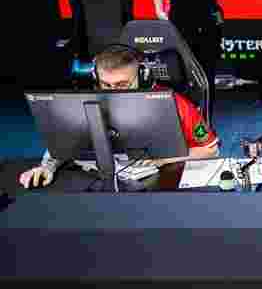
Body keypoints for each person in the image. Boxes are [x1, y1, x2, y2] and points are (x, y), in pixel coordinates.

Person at [19, 46, 219, 189]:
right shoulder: (88, 102)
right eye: (106, 85)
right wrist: (46, 167)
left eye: (122, 84)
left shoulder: (175, 103)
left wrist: (164, 159)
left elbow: (210, 149)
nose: (113, 91)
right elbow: (64, 141)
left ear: (143, 77)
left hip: (158, 184)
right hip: (103, 181)